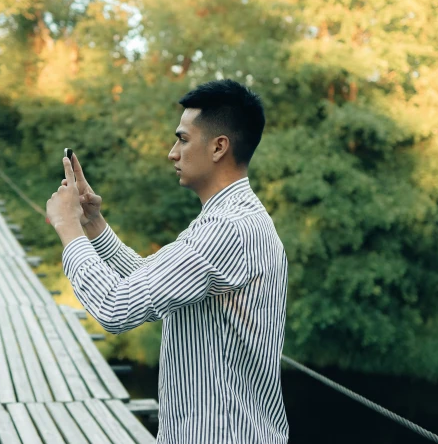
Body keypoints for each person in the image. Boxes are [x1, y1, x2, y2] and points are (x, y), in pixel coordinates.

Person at [46, 79, 289, 443]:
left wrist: (67, 228)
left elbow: (116, 307)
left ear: (219, 147)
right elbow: (150, 279)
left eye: (183, 139)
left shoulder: (226, 229)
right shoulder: (236, 218)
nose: (172, 153)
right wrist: (93, 225)